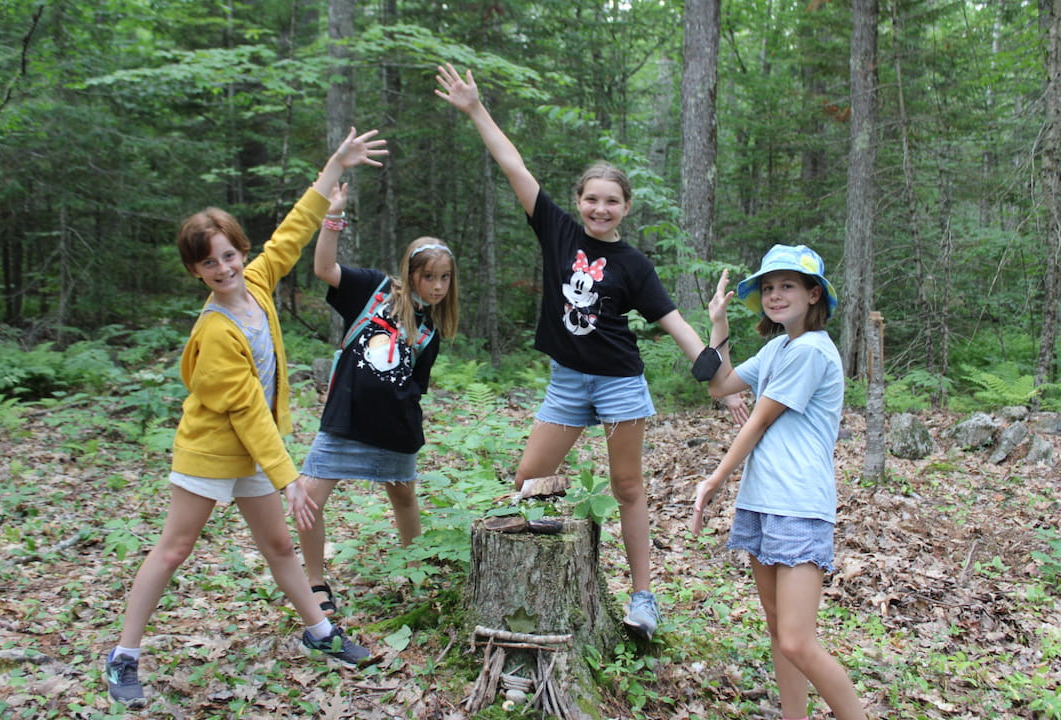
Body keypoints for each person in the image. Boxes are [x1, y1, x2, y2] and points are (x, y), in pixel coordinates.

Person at [435, 63, 723, 641]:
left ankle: (644, 599)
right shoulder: (558, 232)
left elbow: (672, 323)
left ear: (625, 207)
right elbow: (512, 163)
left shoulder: (634, 265)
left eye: (611, 201)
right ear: (578, 201)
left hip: (619, 383)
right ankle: (548, 578)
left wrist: (713, 369)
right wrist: (474, 108)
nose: (599, 209)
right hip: (568, 381)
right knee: (529, 477)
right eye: (591, 199)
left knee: (627, 488)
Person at [104, 127, 388, 710]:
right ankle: (124, 656)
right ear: (196, 271)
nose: (224, 267)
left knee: (280, 546)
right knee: (175, 548)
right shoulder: (213, 331)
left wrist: (334, 164)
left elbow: (292, 232)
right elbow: (246, 410)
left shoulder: (257, 283)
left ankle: (320, 632)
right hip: (212, 450)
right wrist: (290, 479)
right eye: (209, 262)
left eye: (229, 255)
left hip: (258, 453)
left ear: (240, 252)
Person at [690, 244, 867, 720]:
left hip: (798, 504)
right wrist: (719, 326)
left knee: (796, 640)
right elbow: (721, 385)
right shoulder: (778, 348)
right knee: (778, 633)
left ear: (814, 295)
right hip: (764, 500)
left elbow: (759, 420)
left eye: (787, 285)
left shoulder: (811, 350)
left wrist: (714, 479)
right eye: (768, 287)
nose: (774, 295)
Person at [297, 185, 459, 616]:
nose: (438, 286)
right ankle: (314, 580)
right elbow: (324, 267)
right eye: (429, 276)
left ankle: (415, 572)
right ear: (410, 272)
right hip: (344, 419)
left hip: (395, 430)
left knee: (404, 499)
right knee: (309, 496)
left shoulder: (431, 330)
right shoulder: (372, 290)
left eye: (445, 278)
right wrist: (333, 217)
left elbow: (414, 387)